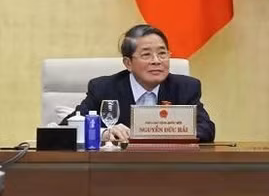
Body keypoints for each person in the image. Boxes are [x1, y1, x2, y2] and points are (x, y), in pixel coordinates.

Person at [73, 24, 215, 143]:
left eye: (162, 53)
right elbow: (71, 125)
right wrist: (104, 133)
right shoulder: (104, 88)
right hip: (118, 168)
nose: (156, 61)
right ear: (128, 63)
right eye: (146, 55)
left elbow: (206, 129)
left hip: (169, 166)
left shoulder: (185, 87)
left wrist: (171, 131)